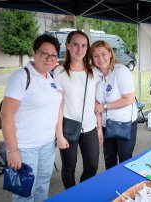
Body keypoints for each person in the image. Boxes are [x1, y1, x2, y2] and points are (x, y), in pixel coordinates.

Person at [1, 34, 62, 202]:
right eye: (44, 53)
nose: (49, 58)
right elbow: (6, 116)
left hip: (47, 144)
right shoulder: (21, 77)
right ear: (34, 53)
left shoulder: (51, 78)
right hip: (25, 147)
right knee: (24, 192)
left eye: (54, 55)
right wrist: (13, 151)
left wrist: (58, 135)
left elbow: (56, 107)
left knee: (43, 184)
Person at [53, 31, 103, 189]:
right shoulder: (59, 73)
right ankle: (71, 196)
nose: (79, 49)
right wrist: (59, 135)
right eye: (75, 44)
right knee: (69, 167)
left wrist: (99, 127)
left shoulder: (93, 72)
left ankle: (81, 191)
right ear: (68, 46)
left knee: (92, 166)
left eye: (83, 45)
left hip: (90, 127)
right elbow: (58, 106)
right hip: (68, 127)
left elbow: (96, 102)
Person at [91, 40, 138, 169]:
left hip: (124, 123)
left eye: (103, 54)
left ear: (110, 54)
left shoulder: (121, 71)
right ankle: (111, 187)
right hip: (107, 125)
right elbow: (95, 102)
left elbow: (129, 99)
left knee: (125, 159)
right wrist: (99, 127)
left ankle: (126, 187)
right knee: (109, 158)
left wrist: (105, 106)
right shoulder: (96, 74)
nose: (100, 59)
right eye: (96, 56)